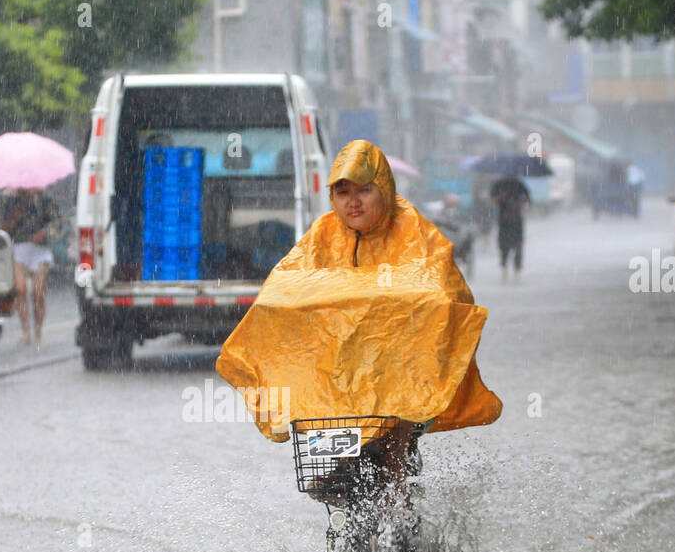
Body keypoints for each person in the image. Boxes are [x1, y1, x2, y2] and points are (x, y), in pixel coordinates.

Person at [217, 140, 501, 488]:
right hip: (340, 366)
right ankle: (337, 465)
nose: (353, 201)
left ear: (384, 189)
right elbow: (286, 285)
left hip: (398, 361)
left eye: (364, 190)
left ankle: (397, 488)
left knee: (398, 413)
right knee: (323, 417)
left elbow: (443, 290)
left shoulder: (414, 230)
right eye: (342, 192)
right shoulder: (322, 232)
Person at [1, 188, 61, 346]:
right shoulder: (10, 200)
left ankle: (38, 332)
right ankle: (26, 332)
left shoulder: (44, 198)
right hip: (19, 248)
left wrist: (44, 232)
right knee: (20, 290)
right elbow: (1, 227)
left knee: (38, 293)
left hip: (40, 250)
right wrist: (14, 219)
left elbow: (57, 221)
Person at [490, 176, 530, 281]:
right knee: (504, 247)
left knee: (517, 247)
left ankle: (516, 271)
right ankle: (504, 269)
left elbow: (527, 199)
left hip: (516, 221)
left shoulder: (519, 185)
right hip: (504, 222)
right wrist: (501, 198)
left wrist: (518, 203)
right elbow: (493, 200)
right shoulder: (498, 185)